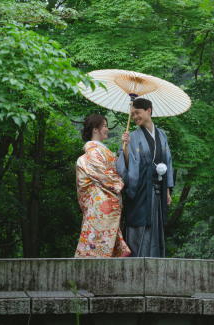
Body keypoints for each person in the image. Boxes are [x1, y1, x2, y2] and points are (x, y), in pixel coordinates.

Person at [116, 97, 174, 257]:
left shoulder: (162, 135)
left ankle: (155, 263)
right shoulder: (132, 136)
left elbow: (167, 161)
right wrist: (126, 148)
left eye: (137, 113)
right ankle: (137, 263)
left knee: (156, 228)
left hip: (158, 189)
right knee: (140, 225)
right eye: (132, 114)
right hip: (141, 191)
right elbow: (128, 164)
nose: (135, 117)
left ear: (149, 111)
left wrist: (167, 190)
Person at [74, 114, 131, 258]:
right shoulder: (92, 151)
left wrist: (125, 147)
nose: (107, 129)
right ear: (95, 129)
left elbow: (116, 169)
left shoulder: (100, 150)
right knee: (96, 242)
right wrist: (121, 184)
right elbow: (103, 174)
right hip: (99, 204)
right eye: (104, 126)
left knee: (102, 241)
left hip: (104, 201)